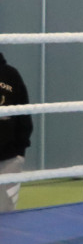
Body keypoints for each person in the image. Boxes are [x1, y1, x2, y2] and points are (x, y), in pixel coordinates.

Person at [0, 51, 33, 212]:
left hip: (9, 158)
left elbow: (24, 115)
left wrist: (19, 151)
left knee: (6, 216)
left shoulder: (11, 74)